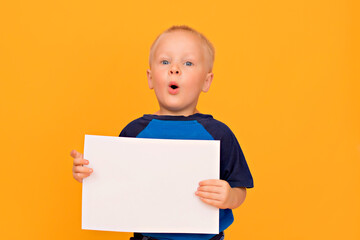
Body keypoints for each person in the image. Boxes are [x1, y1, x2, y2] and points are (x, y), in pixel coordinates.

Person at [71, 25, 254, 240]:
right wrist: (88, 174)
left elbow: (240, 188)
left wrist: (229, 196)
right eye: (165, 62)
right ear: (150, 77)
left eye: (188, 63)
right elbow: (116, 184)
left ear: (207, 81)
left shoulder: (219, 134)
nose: (174, 69)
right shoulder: (134, 131)